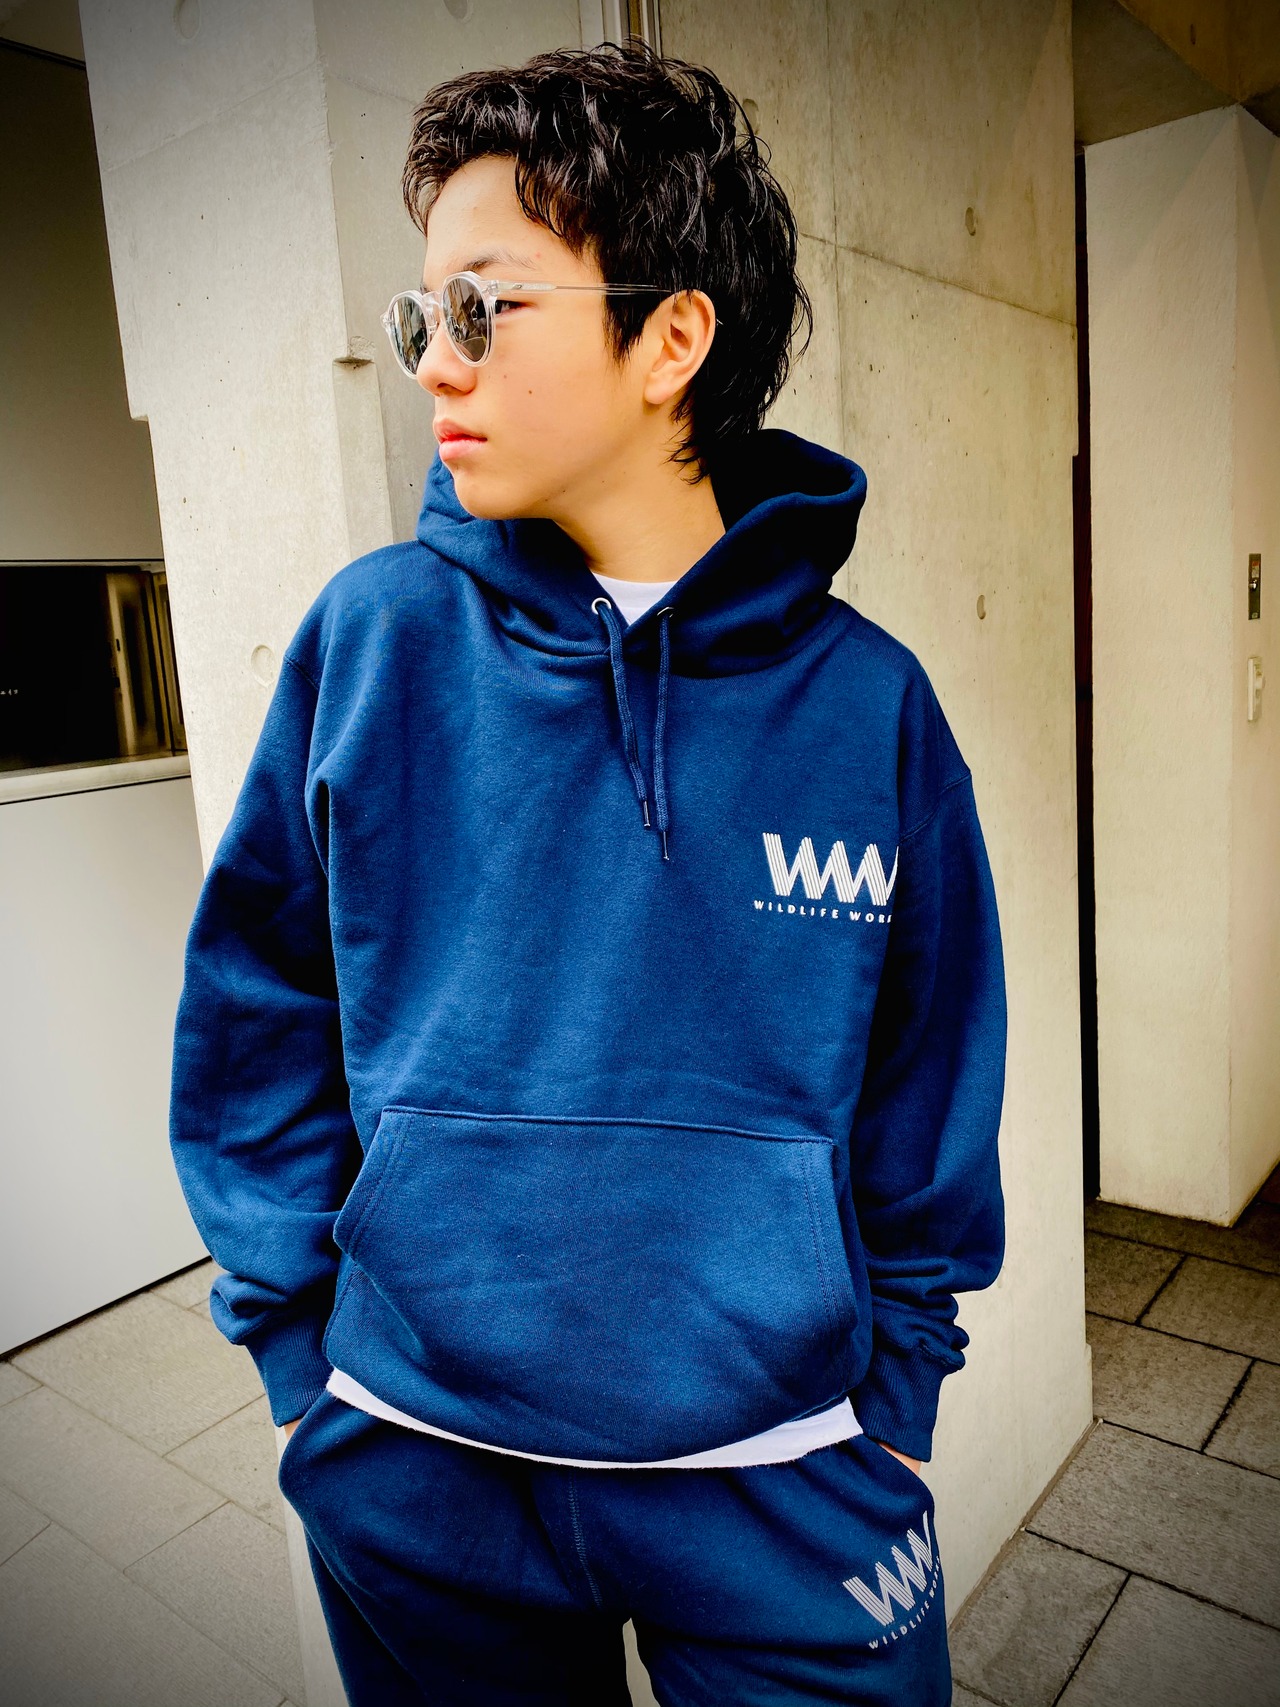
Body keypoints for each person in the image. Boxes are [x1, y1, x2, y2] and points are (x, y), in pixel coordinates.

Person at [169, 38, 1006, 1707]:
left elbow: (930, 1083)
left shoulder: (870, 709)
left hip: (784, 1478)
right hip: (418, 1460)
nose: (435, 362)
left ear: (670, 340)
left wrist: (899, 1401)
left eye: (484, 309)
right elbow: (254, 1016)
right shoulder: (372, 644)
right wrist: (303, 1366)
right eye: (425, 315)